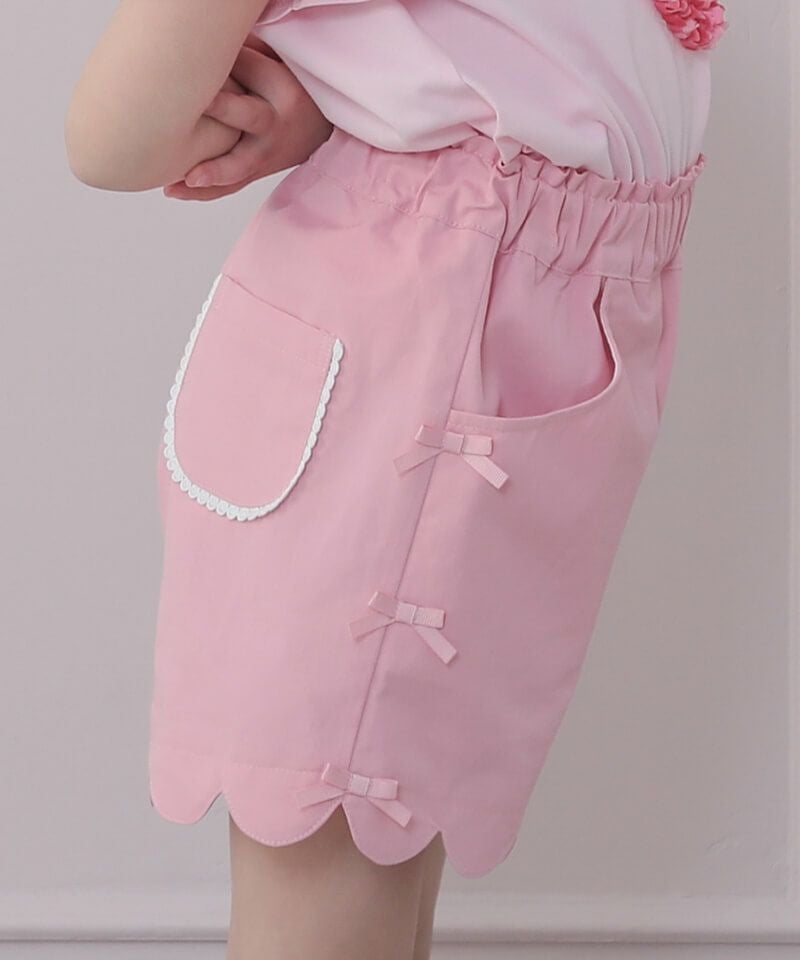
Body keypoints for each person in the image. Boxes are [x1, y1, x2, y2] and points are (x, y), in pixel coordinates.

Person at [65, 2, 727, 958]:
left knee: (387, 846)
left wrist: (329, 101)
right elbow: (110, 136)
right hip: (408, 348)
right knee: (334, 855)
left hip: (549, 312)